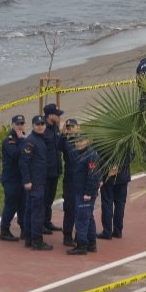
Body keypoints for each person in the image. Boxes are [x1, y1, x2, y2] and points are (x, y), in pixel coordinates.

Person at [20, 115, 52, 250]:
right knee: (37, 212)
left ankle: (29, 238)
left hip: (38, 181)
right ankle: (37, 240)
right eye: (38, 124)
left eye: (42, 124)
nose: (40, 126)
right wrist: (27, 180)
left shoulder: (40, 139)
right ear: (33, 126)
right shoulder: (31, 141)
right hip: (35, 182)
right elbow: (23, 162)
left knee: (30, 210)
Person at [67, 134, 101, 255]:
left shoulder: (91, 155)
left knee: (81, 219)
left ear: (87, 141)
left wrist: (88, 193)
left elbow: (93, 176)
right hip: (80, 190)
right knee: (88, 217)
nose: (78, 143)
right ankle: (91, 243)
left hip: (85, 193)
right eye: (76, 141)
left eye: (81, 141)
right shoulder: (80, 152)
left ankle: (82, 245)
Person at [0, 114, 27, 241]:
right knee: (11, 205)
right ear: (13, 125)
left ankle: (24, 229)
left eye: (22, 124)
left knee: (23, 205)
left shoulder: (23, 139)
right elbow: (16, 154)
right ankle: (4, 231)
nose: (20, 126)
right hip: (11, 179)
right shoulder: (9, 140)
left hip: (21, 178)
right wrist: (21, 140)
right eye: (17, 124)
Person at [41, 103, 65, 234]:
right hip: (45, 171)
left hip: (55, 170)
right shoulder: (43, 129)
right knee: (43, 199)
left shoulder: (55, 127)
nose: (58, 117)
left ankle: (47, 221)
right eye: (57, 115)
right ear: (50, 116)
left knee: (50, 198)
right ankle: (41, 224)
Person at [98, 152, 131, 240]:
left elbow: (100, 155)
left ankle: (107, 232)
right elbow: (131, 154)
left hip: (108, 175)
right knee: (120, 203)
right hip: (123, 174)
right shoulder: (127, 139)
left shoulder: (104, 138)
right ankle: (118, 231)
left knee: (107, 203)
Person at [60, 118, 81, 248]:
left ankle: (80, 236)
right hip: (70, 180)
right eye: (68, 127)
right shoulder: (65, 142)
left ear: (78, 127)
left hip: (81, 180)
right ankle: (67, 235)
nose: (71, 129)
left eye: (72, 126)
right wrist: (63, 134)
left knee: (82, 210)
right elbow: (59, 146)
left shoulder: (82, 140)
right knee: (69, 208)